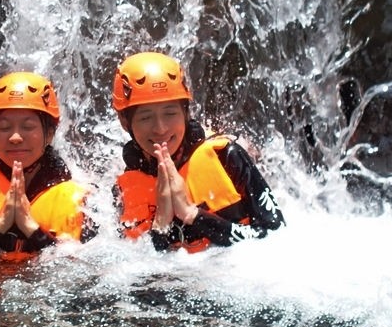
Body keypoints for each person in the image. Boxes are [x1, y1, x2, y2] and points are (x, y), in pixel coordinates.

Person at [111, 52, 285, 252]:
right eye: (145, 117)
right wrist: (161, 223)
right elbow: (139, 270)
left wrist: (193, 215)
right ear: (125, 123)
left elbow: (276, 235)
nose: (160, 128)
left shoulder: (226, 156)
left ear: (186, 113)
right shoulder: (123, 192)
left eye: (170, 113)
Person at [0, 71, 96, 254]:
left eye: (27, 127)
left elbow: (85, 270)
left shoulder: (84, 199)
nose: (15, 137)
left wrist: (30, 227)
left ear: (49, 134)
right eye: (4, 127)